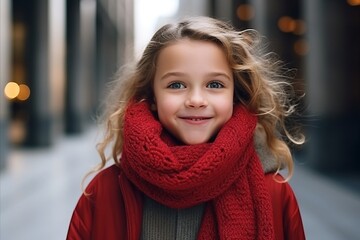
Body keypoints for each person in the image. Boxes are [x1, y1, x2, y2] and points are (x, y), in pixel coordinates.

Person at [67, 16, 306, 240]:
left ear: (236, 95)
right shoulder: (103, 193)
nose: (196, 99)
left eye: (214, 84)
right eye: (176, 84)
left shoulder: (274, 193)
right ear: (152, 96)